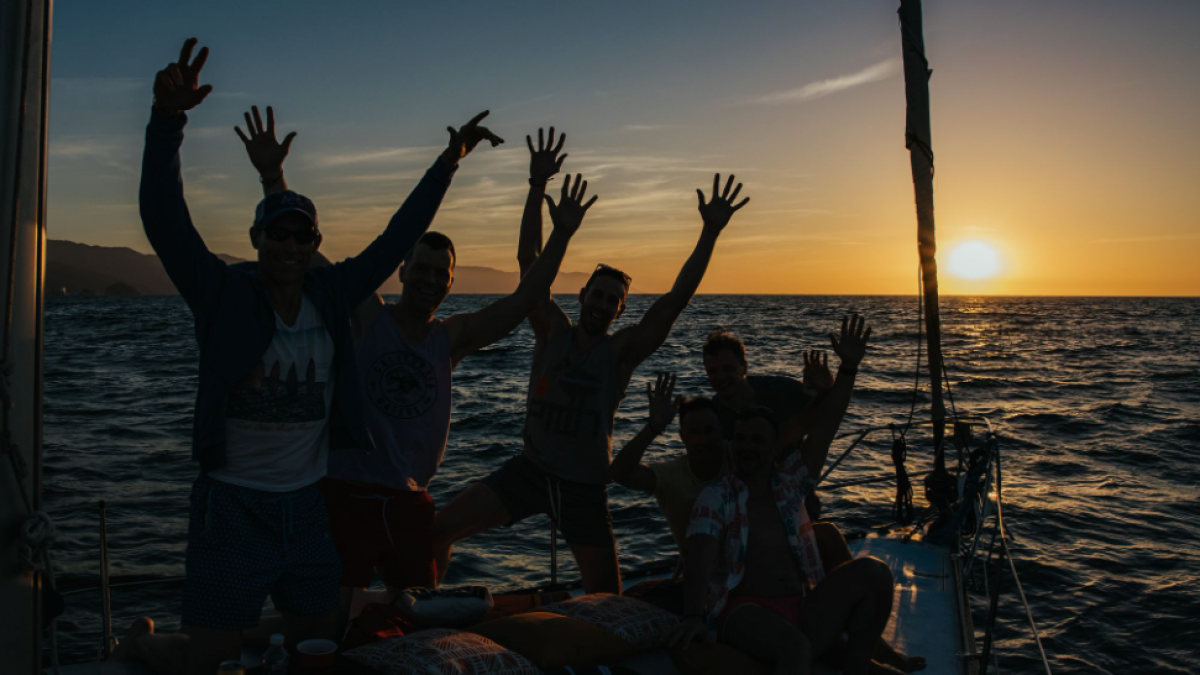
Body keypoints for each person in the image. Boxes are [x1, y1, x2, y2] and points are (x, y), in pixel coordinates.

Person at [123, 39, 498, 675]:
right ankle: (146, 646)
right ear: (257, 238)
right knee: (208, 656)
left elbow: (396, 238)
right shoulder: (220, 292)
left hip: (307, 504)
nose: (291, 245)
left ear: (314, 243)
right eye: (279, 233)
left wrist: (448, 162)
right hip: (232, 503)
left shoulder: (333, 293)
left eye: (303, 235)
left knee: (317, 643)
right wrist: (167, 122)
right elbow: (164, 219)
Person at [238, 109, 595, 602]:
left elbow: (525, 298)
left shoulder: (451, 339)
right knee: (332, 615)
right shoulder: (368, 316)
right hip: (344, 493)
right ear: (402, 271)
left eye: (439, 273)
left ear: (451, 282)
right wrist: (272, 177)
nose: (428, 279)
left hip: (409, 502)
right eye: (420, 269)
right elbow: (306, 259)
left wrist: (561, 231)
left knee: (419, 618)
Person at [431, 162, 751, 594]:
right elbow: (529, 263)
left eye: (613, 300)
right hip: (529, 472)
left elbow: (675, 301)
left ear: (620, 311)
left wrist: (710, 232)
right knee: (436, 532)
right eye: (596, 294)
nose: (602, 303)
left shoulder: (620, 355)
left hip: (585, 488)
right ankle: (423, 609)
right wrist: (536, 186)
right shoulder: (551, 331)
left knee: (607, 597)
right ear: (582, 296)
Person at [667, 316, 924, 675]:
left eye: (758, 439)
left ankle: (858, 660)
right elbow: (702, 553)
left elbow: (823, 427)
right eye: (740, 440)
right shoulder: (717, 496)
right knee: (796, 649)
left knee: (875, 573)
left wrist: (847, 369)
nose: (747, 447)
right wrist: (693, 612)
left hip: (801, 604)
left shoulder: (790, 486)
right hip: (743, 610)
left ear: (776, 446)